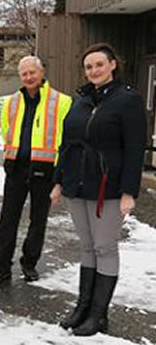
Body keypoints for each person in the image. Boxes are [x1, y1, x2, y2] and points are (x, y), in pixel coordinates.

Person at [51, 43, 146, 336]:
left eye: (99, 64)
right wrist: (58, 181)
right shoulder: (80, 100)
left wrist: (130, 191)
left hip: (109, 187)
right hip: (76, 185)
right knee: (86, 246)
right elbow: (65, 144)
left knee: (104, 247)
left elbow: (134, 148)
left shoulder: (128, 100)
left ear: (113, 64)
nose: (93, 70)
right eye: (89, 66)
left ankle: (98, 314)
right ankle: (83, 307)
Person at [0, 56, 72, 285]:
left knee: (38, 220)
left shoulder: (61, 101)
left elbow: (66, 140)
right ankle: (1, 267)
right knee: (7, 220)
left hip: (45, 169)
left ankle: (29, 263)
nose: (29, 77)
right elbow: (6, 131)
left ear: (42, 72)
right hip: (16, 168)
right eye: (24, 74)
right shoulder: (12, 102)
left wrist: (59, 175)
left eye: (32, 72)